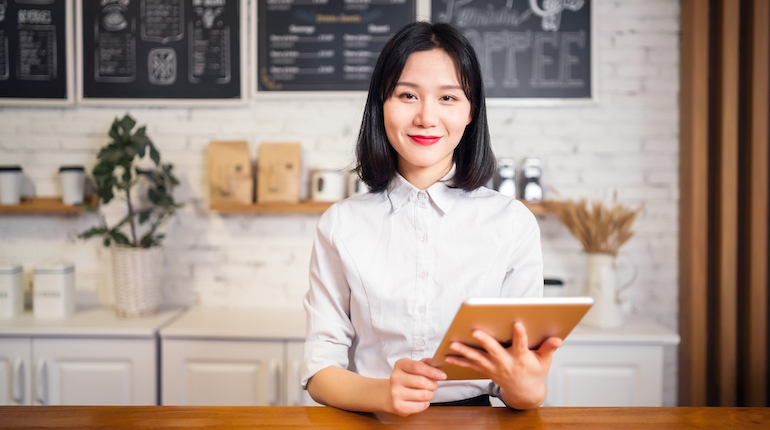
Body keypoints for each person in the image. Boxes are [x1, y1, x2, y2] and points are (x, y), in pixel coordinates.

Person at [301, 21, 562, 417]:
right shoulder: (341, 224)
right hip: (372, 417)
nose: (426, 117)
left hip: (478, 420)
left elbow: (521, 388)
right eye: (407, 95)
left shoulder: (511, 222)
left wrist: (527, 388)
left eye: (448, 98)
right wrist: (381, 395)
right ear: (381, 105)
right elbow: (320, 370)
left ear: (472, 111)